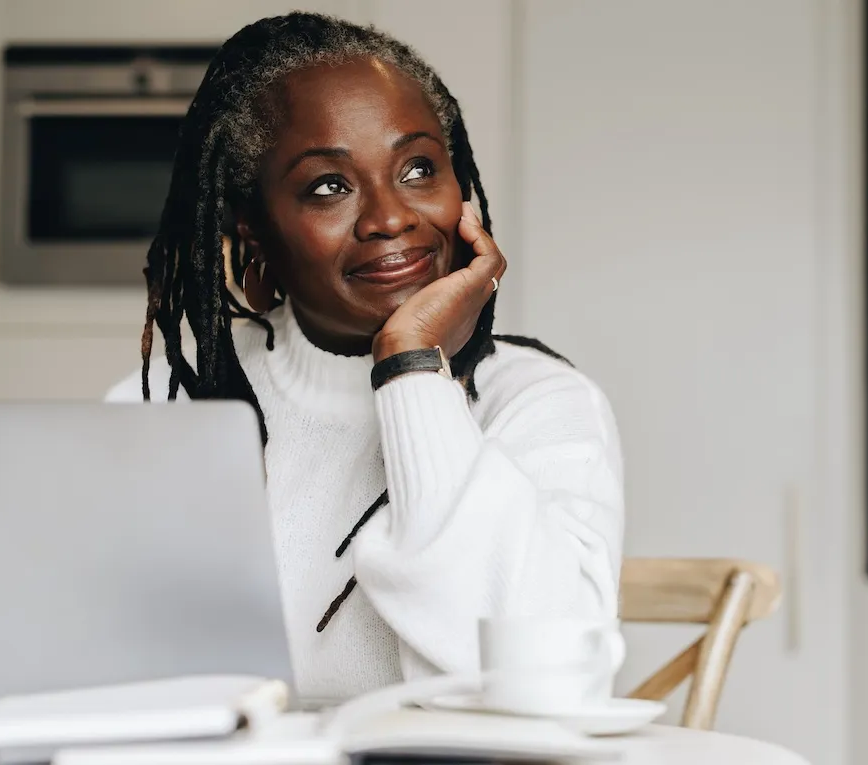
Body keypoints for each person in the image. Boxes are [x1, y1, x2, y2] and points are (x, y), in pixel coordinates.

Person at [106, 12, 624, 704]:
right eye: (329, 186)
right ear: (252, 230)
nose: (390, 217)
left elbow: (548, 687)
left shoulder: (537, 403)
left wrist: (411, 367)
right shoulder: (164, 404)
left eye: (417, 168)